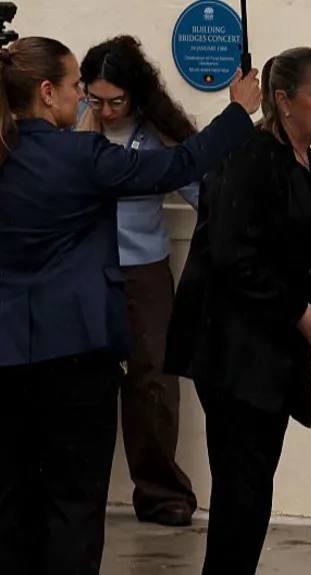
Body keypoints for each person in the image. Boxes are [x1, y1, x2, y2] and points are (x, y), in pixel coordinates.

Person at [0, 36, 261, 575]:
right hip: (75, 352)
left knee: (13, 500)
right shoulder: (80, 156)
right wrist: (237, 112)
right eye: (76, 87)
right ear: (47, 94)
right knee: (74, 501)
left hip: (6, 356)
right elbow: (175, 167)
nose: (84, 100)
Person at [164, 47, 311, 575]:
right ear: (283, 101)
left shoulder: (304, 159)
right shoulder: (250, 155)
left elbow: (294, 250)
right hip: (233, 351)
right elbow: (231, 252)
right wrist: (298, 310)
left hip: (270, 349)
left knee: (252, 488)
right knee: (242, 492)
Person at [76, 34, 199, 528]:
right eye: (94, 98)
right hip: (83, 267)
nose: (106, 111)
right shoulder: (71, 128)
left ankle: (161, 492)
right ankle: (82, 491)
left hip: (144, 267)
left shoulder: (156, 133)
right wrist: (82, 128)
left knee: (153, 379)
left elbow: (201, 192)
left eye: (116, 101)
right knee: (84, 380)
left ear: (135, 94)